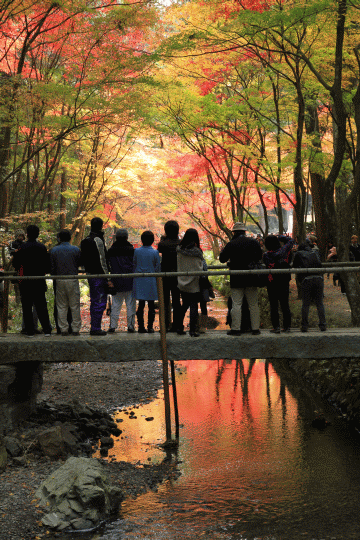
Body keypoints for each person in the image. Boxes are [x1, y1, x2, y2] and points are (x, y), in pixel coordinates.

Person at [219, 222, 263, 336]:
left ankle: (236, 329)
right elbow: (259, 257)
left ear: (234, 232)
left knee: (236, 304)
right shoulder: (253, 242)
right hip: (251, 277)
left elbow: (222, 259)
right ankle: (255, 329)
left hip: (236, 277)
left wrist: (231, 261)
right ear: (244, 231)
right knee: (253, 304)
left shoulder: (231, 244)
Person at [12, 224, 52, 337]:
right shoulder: (42, 247)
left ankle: (29, 331)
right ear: (38, 234)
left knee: (27, 306)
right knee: (41, 305)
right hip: (39, 280)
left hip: (25, 281)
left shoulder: (22, 248)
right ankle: (47, 330)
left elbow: (16, 263)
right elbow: (47, 265)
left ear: (27, 234)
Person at [80, 217, 113, 336]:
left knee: (94, 301)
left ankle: (95, 326)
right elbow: (102, 260)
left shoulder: (85, 240)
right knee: (99, 301)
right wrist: (108, 278)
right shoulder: (97, 240)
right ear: (101, 226)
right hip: (99, 276)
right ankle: (95, 328)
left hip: (90, 274)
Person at [49, 229, 82, 336]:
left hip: (59, 279)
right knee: (74, 305)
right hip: (72, 278)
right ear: (70, 238)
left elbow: (52, 267)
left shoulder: (54, 250)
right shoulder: (76, 249)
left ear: (59, 238)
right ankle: (76, 329)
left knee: (61, 305)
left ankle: (63, 329)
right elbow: (80, 263)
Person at [263, 234, 294, 333]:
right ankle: (287, 327)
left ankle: (276, 327)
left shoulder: (266, 255)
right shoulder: (284, 252)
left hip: (272, 282)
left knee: (273, 305)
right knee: (285, 305)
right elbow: (291, 241)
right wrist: (279, 236)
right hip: (284, 281)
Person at [292, 241, 326, 332]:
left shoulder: (299, 253)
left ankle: (304, 325)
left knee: (305, 304)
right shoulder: (315, 252)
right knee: (319, 303)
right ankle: (323, 325)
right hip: (319, 278)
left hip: (306, 279)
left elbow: (295, 265)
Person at [176, 228, 204, 337]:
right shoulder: (197, 252)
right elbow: (199, 267)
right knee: (193, 306)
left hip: (182, 282)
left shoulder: (179, 250)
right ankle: (192, 330)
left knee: (184, 305)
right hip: (194, 282)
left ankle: (179, 327)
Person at [107, 228, 136, 333]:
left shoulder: (111, 250)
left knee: (115, 304)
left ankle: (112, 326)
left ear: (116, 237)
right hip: (130, 281)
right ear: (127, 237)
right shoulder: (132, 250)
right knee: (130, 304)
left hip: (116, 281)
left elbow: (108, 265)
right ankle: (131, 326)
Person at [133, 230, 160, 333]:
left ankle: (140, 327)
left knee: (141, 304)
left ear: (142, 240)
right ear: (152, 240)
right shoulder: (155, 252)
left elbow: (134, 265)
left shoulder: (136, 251)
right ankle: (150, 327)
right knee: (151, 305)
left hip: (139, 279)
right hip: (151, 280)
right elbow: (157, 268)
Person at [157, 220, 182, 332]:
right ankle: (177, 325)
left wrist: (163, 238)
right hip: (178, 274)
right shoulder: (181, 243)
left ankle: (165, 325)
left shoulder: (162, 244)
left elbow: (160, 251)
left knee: (165, 301)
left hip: (165, 275)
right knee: (177, 301)